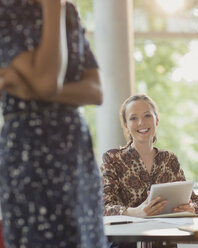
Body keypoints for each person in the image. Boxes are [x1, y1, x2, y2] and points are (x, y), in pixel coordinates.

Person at [0, 1, 105, 247]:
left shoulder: (68, 11)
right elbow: (48, 81)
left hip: (75, 151)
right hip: (29, 150)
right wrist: (52, 8)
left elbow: (96, 92)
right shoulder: (6, 10)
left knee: (83, 238)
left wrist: (31, 90)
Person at [101, 94, 198, 218]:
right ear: (126, 125)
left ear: (157, 120)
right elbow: (102, 208)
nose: (141, 122)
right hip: (130, 235)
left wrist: (191, 208)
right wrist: (135, 212)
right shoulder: (113, 159)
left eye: (147, 115)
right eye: (133, 118)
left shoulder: (169, 160)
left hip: (167, 234)